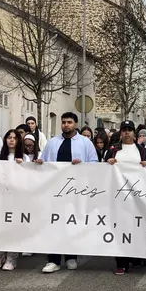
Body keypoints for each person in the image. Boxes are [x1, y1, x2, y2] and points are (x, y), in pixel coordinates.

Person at [35, 112, 98, 273]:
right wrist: (40, 163)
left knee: (72, 223)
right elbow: (46, 163)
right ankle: (53, 260)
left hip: (76, 191)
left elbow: (95, 164)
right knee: (54, 223)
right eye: (63, 122)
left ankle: (71, 257)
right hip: (55, 191)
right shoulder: (53, 143)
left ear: (75, 124)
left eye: (69, 122)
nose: (66, 125)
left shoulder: (85, 143)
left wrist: (82, 165)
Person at [103, 120, 146, 275]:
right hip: (118, 196)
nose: (127, 133)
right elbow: (103, 169)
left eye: (129, 130)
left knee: (137, 226)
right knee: (121, 227)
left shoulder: (142, 150)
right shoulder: (113, 149)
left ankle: (135, 256)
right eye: (124, 130)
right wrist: (108, 162)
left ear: (134, 133)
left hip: (137, 196)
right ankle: (121, 262)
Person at [0, 129, 24, 271]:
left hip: (14, 198)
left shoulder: (23, 157)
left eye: (14, 138)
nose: (11, 140)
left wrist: (23, 165)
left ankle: (11, 258)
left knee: (12, 227)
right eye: (9, 137)